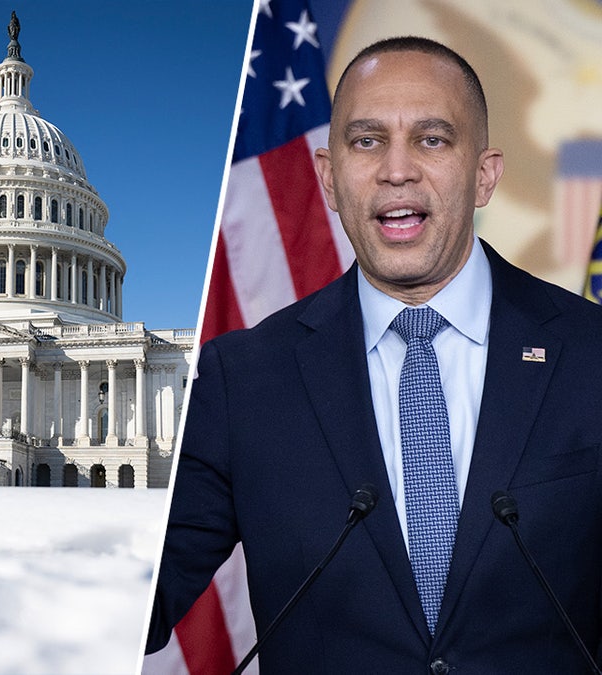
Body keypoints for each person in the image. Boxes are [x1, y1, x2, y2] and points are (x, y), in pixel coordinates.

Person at [148, 36, 602, 671]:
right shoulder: (241, 380)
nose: (397, 170)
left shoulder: (590, 352)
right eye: (366, 141)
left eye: (432, 140)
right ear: (330, 178)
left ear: (485, 175)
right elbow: (137, 598)